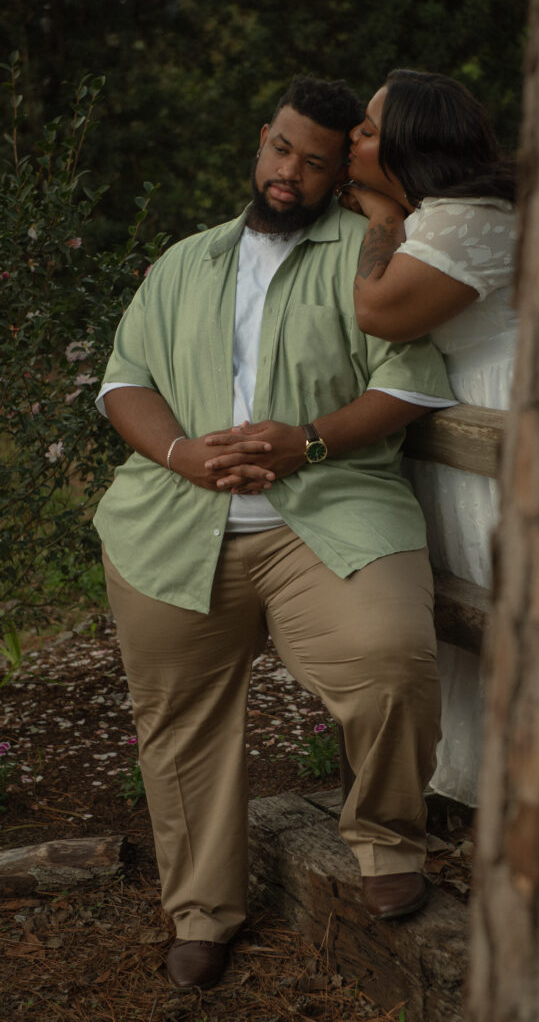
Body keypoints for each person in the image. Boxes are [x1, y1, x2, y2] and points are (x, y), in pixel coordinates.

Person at [93, 75, 456, 991]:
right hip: (173, 527)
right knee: (178, 727)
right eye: (281, 149)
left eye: (316, 161)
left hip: (328, 519)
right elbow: (123, 380)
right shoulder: (185, 261)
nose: (289, 172)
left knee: (391, 657)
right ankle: (202, 911)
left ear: (342, 175)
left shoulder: (370, 258)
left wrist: (306, 441)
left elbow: (410, 381)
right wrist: (181, 454)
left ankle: (382, 843)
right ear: (262, 141)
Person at [342, 69, 518, 806]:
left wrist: (382, 213)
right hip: (459, 415)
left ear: (410, 146)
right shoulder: (439, 213)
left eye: (371, 129)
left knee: (502, 591)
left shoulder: (468, 216)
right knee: (467, 593)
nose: (354, 135)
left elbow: (378, 311)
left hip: (504, 402)